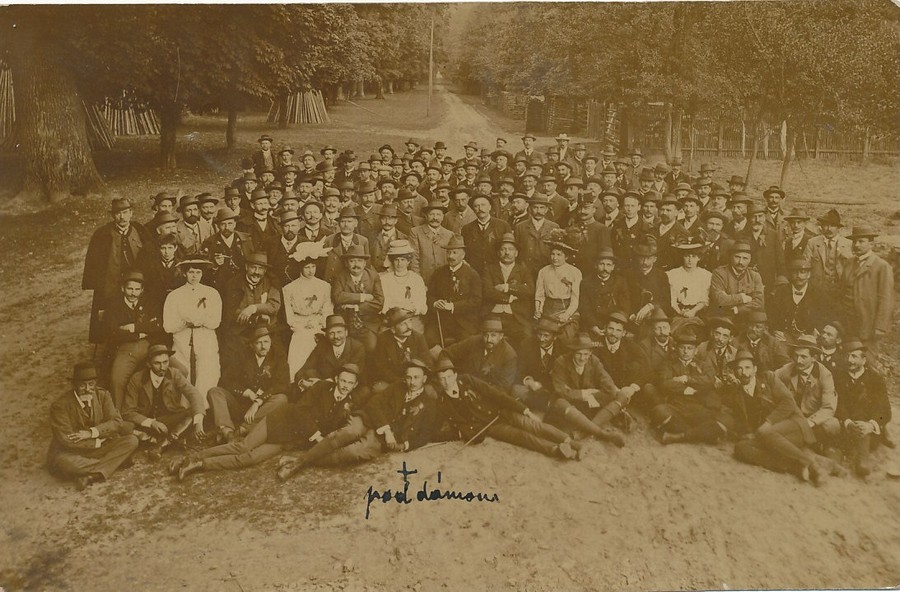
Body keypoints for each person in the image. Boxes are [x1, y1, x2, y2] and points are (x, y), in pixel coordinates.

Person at [173, 364, 366, 480]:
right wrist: (315, 434)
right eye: (343, 381)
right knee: (243, 446)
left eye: (350, 383)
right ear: (336, 378)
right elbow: (299, 409)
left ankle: (200, 465)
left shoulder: (349, 404)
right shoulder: (322, 387)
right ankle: (194, 457)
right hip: (280, 421)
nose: (345, 386)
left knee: (249, 459)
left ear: (355, 385)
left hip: (289, 440)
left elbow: (338, 429)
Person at [276, 360, 441, 479]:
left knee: (353, 453)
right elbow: (374, 403)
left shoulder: (429, 403)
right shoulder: (397, 387)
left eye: (416, 378)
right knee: (346, 433)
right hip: (369, 419)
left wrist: (404, 445)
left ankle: (300, 461)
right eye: (409, 377)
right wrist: (386, 429)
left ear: (424, 379)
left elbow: (425, 434)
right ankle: (298, 463)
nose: (411, 382)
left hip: (381, 439)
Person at [433, 358, 581, 461]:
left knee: (533, 425)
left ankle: (572, 443)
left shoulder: (467, 380)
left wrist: (525, 411)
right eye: (442, 379)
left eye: (449, 377)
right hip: (491, 426)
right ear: (438, 381)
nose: (447, 382)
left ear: (455, 375)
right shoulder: (443, 401)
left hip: (503, 411)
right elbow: (457, 424)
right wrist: (469, 432)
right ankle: (557, 450)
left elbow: (495, 394)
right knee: (522, 437)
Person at [729, 350, 830, 484]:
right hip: (768, 435)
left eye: (747, 367)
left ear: (755, 369)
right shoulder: (737, 393)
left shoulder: (768, 378)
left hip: (793, 425)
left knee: (765, 433)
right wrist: (751, 433)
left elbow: (788, 403)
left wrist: (768, 422)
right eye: (739, 369)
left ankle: (810, 464)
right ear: (735, 372)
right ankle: (794, 467)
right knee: (741, 448)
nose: (744, 372)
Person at [47, 362, 139, 491]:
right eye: (82, 385)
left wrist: (92, 432)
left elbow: (116, 422)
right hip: (73, 452)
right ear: (74, 385)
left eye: (91, 384)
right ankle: (114, 463)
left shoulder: (103, 395)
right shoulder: (60, 405)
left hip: (101, 445)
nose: (87, 389)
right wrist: (97, 442)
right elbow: (66, 439)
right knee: (66, 463)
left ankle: (91, 475)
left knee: (132, 440)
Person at [547, 332, 633, 446]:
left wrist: (594, 396)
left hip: (589, 404)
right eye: (579, 354)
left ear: (591, 353)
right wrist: (585, 393)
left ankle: (584, 431)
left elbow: (609, 387)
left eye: (586, 354)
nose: (582, 358)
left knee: (621, 395)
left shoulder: (594, 361)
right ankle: (602, 433)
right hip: (570, 406)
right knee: (560, 402)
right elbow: (561, 391)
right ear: (572, 352)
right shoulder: (561, 362)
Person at [206, 325, 289, 443]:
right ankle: (228, 433)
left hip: (262, 408)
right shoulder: (241, 355)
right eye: (259, 343)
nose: (263, 346)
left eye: (266, 342)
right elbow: (226, 380)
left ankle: (242, 430)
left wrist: (258, 401)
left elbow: (282, 385)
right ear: (251, 345)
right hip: (240, 405)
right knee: (214, 392)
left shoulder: (278, 356)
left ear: (271, 341)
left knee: (282, 399)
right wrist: (247, 392)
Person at [122, 344, 207, 458]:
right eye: (157, 363)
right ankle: (157, 439)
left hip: (168, 420)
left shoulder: (174, 374)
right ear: (148, 364)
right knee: (124, 427)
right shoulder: (137, 379)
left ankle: (163, 443)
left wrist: (198, 422)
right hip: (145, 422)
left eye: (165, 362)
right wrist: (151, 423)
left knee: (193, 412)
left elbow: (194, 394)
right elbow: (128, 412)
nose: (162, 367)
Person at [83, 197, 148, 344]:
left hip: (135, 282)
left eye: (125, 212)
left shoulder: (139, 230)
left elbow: (149, 253)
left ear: (131, 213)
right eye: (118, 213)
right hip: (112, 282)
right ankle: (112, 342)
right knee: (111, 313)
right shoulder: (102, 234)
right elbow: (95, 264)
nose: (122, 217)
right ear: (113, 216)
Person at [653, 327, 726, 445]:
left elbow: (709, 381)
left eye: (689, 348)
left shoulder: (704, 365)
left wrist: (687, 379)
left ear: (696, 351)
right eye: (682, 347)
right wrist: (686, 389)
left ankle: (679, 436)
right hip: (676, 407)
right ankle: (700, 434)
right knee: (659, 411)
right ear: (677, 348)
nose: (685, 351)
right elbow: (664, 383)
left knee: (720, 423)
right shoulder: (668, 364)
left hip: (699, 408)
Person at [162, 258, 222, 397]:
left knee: (208, 370)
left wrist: (201, 320)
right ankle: (184, 406)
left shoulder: (212, 293)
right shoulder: (174, 295)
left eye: (198, 272)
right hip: (182, 338)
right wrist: (185, 322)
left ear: (202, 274)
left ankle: (204, 406)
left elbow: (215, 321)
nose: (194, 276)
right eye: (191, 272)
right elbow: (168, 326)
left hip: (205, 336)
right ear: (184, 273)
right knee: (182, 370)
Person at [104, 270, 163, 409]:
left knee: (179, 369)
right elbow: (112, 332)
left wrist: (133, 327)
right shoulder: (114, 305)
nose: (133, 293)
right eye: (130, 289)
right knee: (117, 379)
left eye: (137, 289)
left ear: (142, 290)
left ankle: (168, 409)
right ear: (123, 288)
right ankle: (117, 415)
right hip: (126, 348)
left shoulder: (149, 303)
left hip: (150, 346)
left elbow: (158, 326)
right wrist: (139, 334)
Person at [834, 341, 892, 478]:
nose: (850, 360)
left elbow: (884, 409)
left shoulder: (875, 379)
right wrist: (847, 422)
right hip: (846, 424)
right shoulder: (839, 377)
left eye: (854, 356)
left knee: (864, 434)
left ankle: (862, 460)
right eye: (847, 356)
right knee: (836, 443)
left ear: (864, 360)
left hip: (867, 428)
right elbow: (838, 404)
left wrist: (871, 425)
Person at [840, 225, 894, 366]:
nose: (857, 245)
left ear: (871, 243)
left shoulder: (881, 266)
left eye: (861, 241)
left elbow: (886, 299)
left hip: (868, 324)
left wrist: (880, 326)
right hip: (848, 322)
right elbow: (842, 292)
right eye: (854, 241)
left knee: (867, 362)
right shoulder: (849, 263)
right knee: (849, 361)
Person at [774, 335, 840, 445]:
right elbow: (770, 378)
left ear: (814, 358)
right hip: (793, 417)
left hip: (813, 418)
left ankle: (815, 445)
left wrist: (810, 422)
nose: (798, 360)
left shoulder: (825, 375)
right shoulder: (789, 368)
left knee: (832, 425)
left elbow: (828, 408)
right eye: (796, 355)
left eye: (803, 357)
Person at [282, 243, 334, 378]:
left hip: (318, 323)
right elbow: (289, 313)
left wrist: (320, 324)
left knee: (317, 339)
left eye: (313, 267)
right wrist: (299, 325)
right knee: (301, 339)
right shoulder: (289, 288)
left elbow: (327, 309)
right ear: (300, 268)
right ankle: (296, 378)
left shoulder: (324, 286)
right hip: (299, 326)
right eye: (307, 267)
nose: (311, 271)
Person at [425, 234, 483, 348]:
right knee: (429, 339)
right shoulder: (439, 273)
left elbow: (476, 301)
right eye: (448, 252)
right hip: (441, 321)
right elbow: (429, 295)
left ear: (463, 255)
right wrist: (435, 303)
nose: (450, 256)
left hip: (464, 322)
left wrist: (452, 306)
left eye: (455, 253)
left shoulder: (472, 274)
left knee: (466, 345)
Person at [481, 232, 534, 347]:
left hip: (516, 316)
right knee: (488, 339)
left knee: (528, 338)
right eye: (503, 249)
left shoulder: (523, 270)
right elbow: (487, 291)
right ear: (498, 253)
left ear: (516, 253)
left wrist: (507, 287)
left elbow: (529, 290)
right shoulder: (489, 269)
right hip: (493, 314)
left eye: (510, 249)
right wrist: (509, 298)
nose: (507, 253)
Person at [331, 244, 384, 354]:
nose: (356, 265)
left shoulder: (373, 276)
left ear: (364, 263)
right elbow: (337, 297)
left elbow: (379, 302)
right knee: (345, 350)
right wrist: (363, 297)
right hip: (345, 322)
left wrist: (356, 307)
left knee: (371, 347)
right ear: (346, 263)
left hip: (368, 323)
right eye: (352, 261)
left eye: (359, 261)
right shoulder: (340, 277)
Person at [442, 317, 519, 391]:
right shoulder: (473, 341)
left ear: (501, 336)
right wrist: (448, 375)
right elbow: (445, 353)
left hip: (488, 394)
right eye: (486, 335)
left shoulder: (509, 355)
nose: (489, 339)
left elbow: (503, 388)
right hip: (461, 386)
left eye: (493, 335)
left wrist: (478, 392)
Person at [370, 308, 433, 393]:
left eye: (409, 321)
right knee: (378, 389)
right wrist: (401, 381)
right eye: (403, 324)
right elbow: (381, 368)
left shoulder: (418, 338)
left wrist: (415, 378)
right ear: (393, 329)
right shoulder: (383, 339)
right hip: (393, 380)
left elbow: (428, 363)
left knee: (430, 391)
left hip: (415, 379)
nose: (409, 327)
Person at [296, 314, 366, 388]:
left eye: (339, 332)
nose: (336, 336)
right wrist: (302, 382)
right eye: (331, 333)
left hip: (348, 388)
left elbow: (349, 376)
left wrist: (320, 383)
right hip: (324, 389)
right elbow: (304, 369)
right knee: (309, 373)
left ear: (346, 332)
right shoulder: (322, 346)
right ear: (326, 335)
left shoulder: (357, 347)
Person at [534, 239, 581, 343]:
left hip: (566, 308)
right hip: (548, 309)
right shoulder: (543, 271)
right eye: (553, 254)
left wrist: (566, 315)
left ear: (566, 257)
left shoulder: (574, 272)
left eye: (559, 255)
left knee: (566, 337)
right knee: (544, 335)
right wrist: (538, 310)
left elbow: (575, 299)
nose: (555, 258)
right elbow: (540, 295)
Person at [768, 258, 828, 337]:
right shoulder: (781, 292)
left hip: (809, 337)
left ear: (809, 274)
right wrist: (777, 331)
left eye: (802, 272)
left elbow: (824, 317)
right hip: (784, 336)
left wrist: (817, 330)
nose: (798, 276)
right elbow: (773, 316)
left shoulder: (818, 294)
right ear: (790, 274)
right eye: (794, 272)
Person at [201, 207, 255, 293]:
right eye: (223, 224)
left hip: (242, 285)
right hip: (220, 286)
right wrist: (214, 265)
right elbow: (204, 269)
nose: (227, 227)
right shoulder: (209, 243)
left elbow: (253, 261)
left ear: (235, 224)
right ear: (218, 226)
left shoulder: (246, 239)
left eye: (230, 224)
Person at [379, 240, 428, 332]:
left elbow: (421, 303)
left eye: (403, 260)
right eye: (396, 260)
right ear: (392, 261)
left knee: (416, 336)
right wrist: (401, 306)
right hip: (391, 320)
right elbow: (383, 303)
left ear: (408, 261)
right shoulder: (385, 279)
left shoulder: (416, 279)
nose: (399, 263)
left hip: (412, 319)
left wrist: (412, 310)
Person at [579, 248, 631, 334]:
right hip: (592, 324)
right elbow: (585, 308)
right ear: (596, 265)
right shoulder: (586, 282)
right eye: (602, 264)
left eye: (608, 265)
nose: (605, 268)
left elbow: (625, 307)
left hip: (614, 323)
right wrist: (593, 325)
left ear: (613, 267)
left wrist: (613, 326)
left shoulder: (620, 282)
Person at [709, 241, 765, 319]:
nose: (740, 262)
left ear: (750, 260)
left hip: (746, 317)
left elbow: (759, 302)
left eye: (745, 258)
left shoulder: (754, 276)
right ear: (731, 257)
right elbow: (719, 299)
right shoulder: (719, 273)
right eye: (737, 257)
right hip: (722, 316)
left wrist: (737, 309)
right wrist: (742, 298)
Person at [408, 200, 454, 284]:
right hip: (424, 280)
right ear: (426, 216)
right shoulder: (415, 232)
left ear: (443, 217)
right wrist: (418, 282)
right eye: (432, 214)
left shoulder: (449, 234)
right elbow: (414, 260)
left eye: (438, 214)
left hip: (445, 281)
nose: (435, 218)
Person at [514, 194, 560, 277]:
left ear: (546, 210)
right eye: (535, 207)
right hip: (526, 270)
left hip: (547, 270)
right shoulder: (520, 227)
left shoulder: (554, 227)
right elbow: (516, 250)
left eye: (542, 208)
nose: (538, 211)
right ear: (530, 209)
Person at [666, 236, 711, 320]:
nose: (690, 260)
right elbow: (672, 300)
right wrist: (680, 312)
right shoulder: (673, 274)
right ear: (682, 257)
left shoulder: (706, 275)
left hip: (698, 313)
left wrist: (693, 311)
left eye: (693, 256)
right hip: (678, 312)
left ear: (699, 258)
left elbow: (704, 299)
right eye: (687, 256)